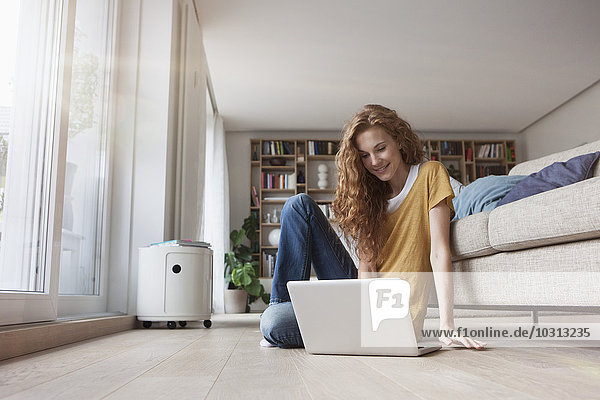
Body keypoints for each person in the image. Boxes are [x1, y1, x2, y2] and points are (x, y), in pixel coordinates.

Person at [260, 104, 486, 350]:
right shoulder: (368, 194)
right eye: (364, 155)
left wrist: (447, 324)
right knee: (298, 205)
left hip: (392, 316)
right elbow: (366, 266)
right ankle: (281, 304)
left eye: (381, 149)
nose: (374, 161)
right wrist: (362, 311)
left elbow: (439, 252)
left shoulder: (430, 174)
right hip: (362, 297)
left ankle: (283, 322)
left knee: (274, 324)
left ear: (398, 141)